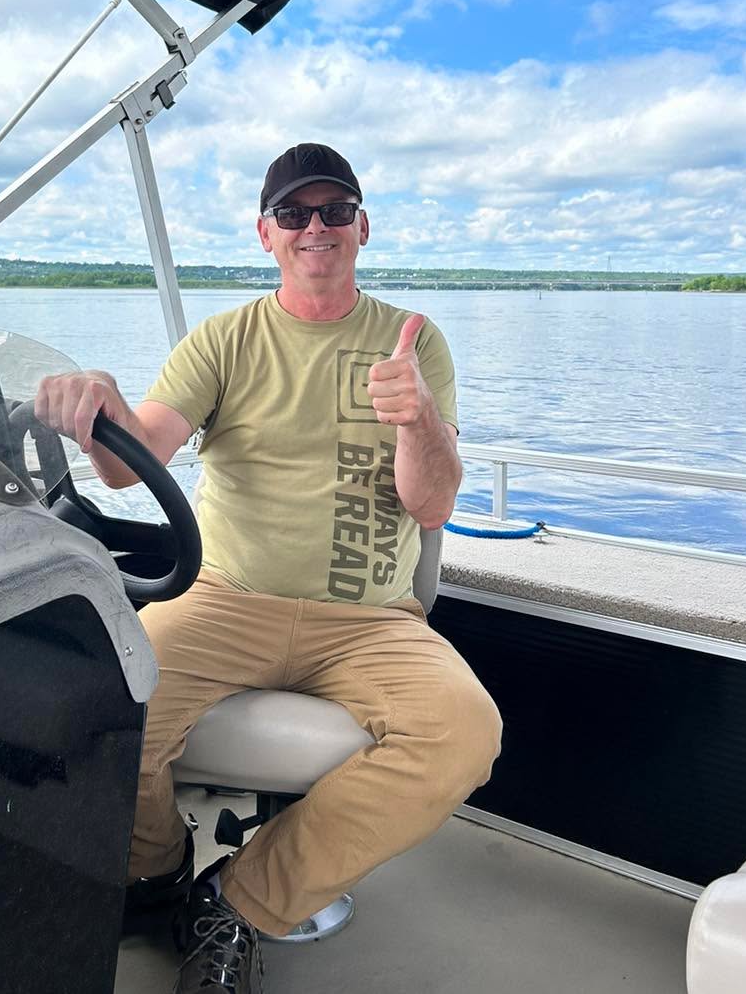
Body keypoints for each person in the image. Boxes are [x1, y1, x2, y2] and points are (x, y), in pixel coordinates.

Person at [35, 143, 502, 993]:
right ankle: (155, 870)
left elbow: (432, 508)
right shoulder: (223, 340)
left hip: (371, 618)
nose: (315, 227)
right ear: (265, 233)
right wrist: (97, 411)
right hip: (227, 598)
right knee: (113, 696)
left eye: (334, 211)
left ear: (362, 227)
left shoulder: (415, 340)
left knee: (467, 734)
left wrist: (420, 419)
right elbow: (134, 460)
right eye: (294, 213)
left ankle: (238, 903)